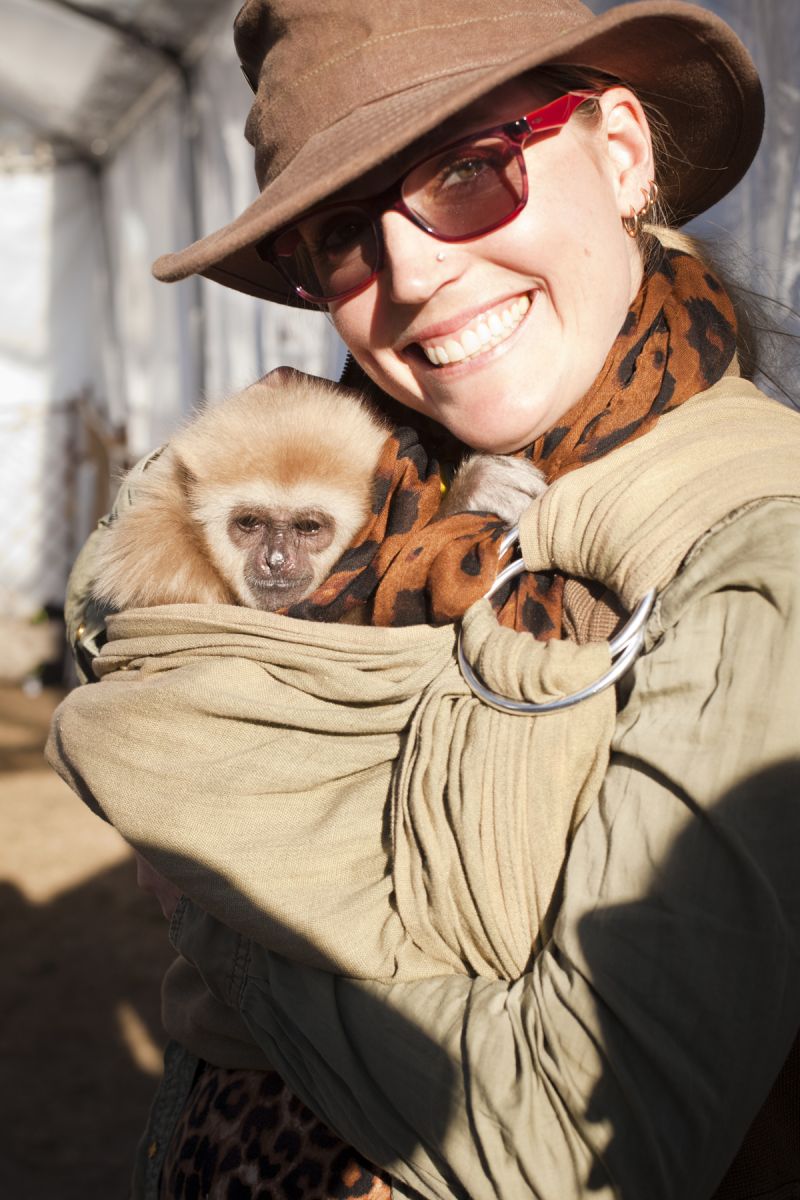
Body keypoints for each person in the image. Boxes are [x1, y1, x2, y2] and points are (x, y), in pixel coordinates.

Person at [50, 1, 800, 1198]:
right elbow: (121, 592)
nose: (408, 269)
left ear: (618, 152)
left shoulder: (755, 543)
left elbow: (558, 1153)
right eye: (342, 232)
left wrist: (219, 897)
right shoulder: (366, 448)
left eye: (467, 170)